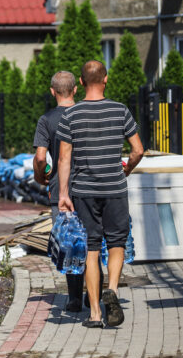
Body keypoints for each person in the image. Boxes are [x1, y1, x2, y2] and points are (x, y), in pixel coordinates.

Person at [57, 60, 144, 328]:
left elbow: (63, 158)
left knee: (91, 249)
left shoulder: (70, 115)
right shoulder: (120, 111)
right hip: (114, 188)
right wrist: (126, 169)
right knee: (116, 243)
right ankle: (113, 291)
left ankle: (94, 314)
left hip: (84, 192)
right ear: (105, 80)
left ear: (80, 83)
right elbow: (138, 149)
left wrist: (63, 193)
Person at [33, 71, 99, 313]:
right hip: (89, 186)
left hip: (60, 190)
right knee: (92, 241)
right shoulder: (85, 114)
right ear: (75, 89)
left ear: (52, 92)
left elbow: (41, 157)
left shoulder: (46, 119)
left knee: (69, 244)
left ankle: (73, 298)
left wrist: (41, 175)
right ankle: (94, 297)